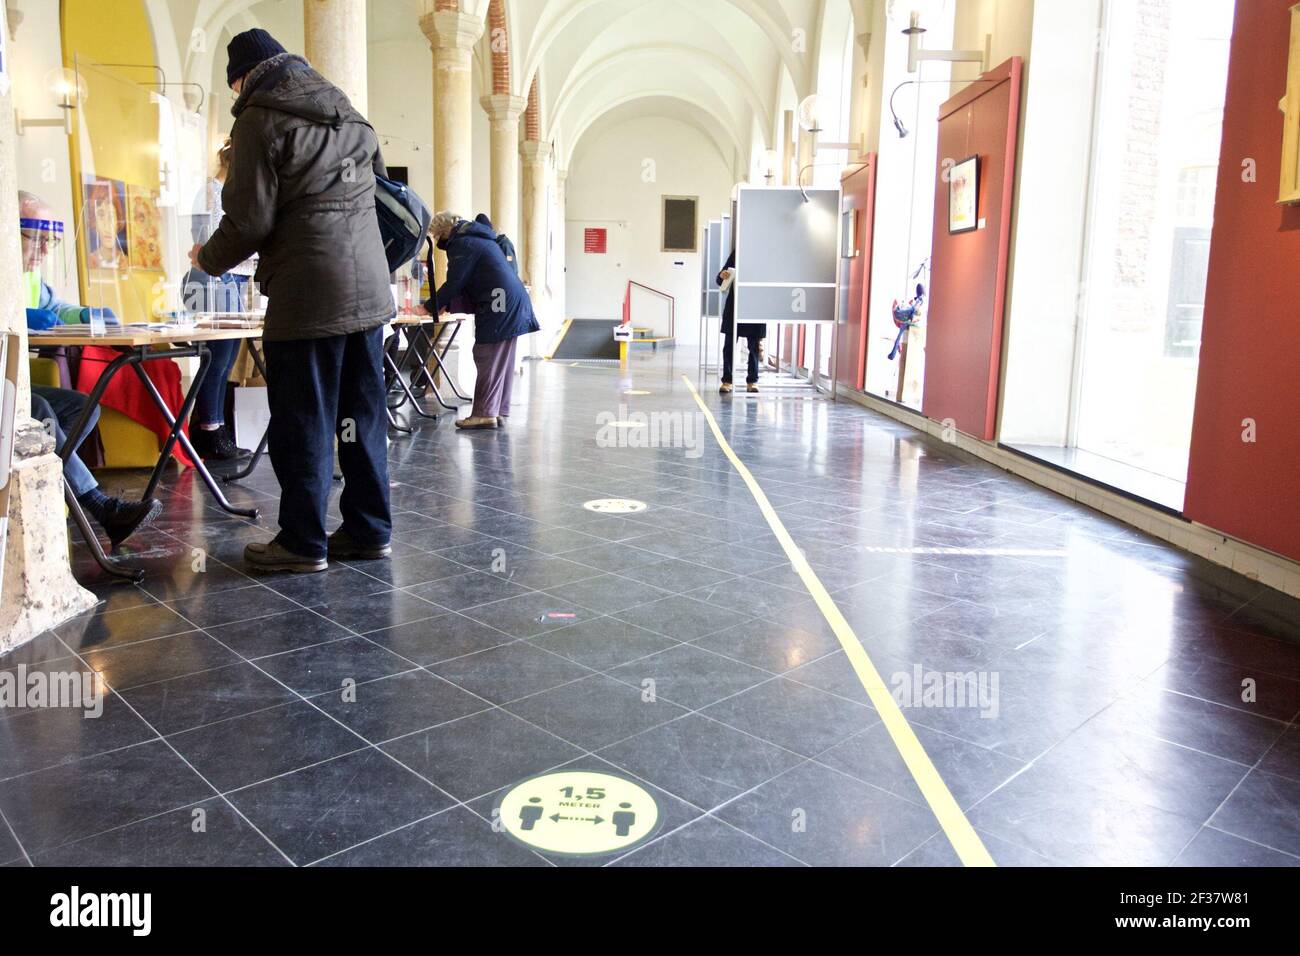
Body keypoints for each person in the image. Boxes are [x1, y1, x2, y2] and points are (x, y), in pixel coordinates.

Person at [193, 28, 394, 573]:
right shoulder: (348, 113)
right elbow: (377, 200)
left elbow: (250, 220)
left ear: (242, 77)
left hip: (308, 294)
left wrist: (205, 258)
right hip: (370, 289)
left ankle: (303, 543)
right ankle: (370, 530)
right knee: (362, 414)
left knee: (303, 418)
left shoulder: (258, 118)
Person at [18, 192, 160, 545]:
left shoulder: (30, 276)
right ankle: (98, 505)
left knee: (84, 407)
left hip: (13, 384)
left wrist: (84, 314)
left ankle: (51, 487)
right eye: (36, 238)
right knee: (39, 410)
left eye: (50, 240)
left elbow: (55, 306)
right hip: (8, 388)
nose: (45, 250)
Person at [422, 211, 538, 430]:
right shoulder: (477, 238)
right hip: (508, 301)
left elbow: (456, 281)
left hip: (499, 303)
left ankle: (484, 414)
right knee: (501, 358)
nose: (438, 242)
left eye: (437, 236)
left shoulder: (463, 242)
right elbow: (471, 279)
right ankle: (497, 411)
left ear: (444, 231)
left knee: (486, 355)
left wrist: (428, 306)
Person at [183, 139, 255, 462]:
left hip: (235, 275)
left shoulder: (232, 193)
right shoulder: (211, 191)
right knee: (216, 356)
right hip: (216, 277)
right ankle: (209, 427)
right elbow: (205, 238)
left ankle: (213, 424)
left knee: (225, 357)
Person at [717, 250, 766, 394]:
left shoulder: (766, 252)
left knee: (754, 347)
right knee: (729, 346)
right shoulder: (738, 252)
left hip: (756, 305)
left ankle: (752, 381)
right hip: (735, 305)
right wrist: (722, 275)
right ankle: (727, 380)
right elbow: (720, 278)